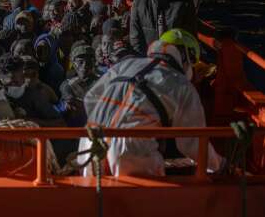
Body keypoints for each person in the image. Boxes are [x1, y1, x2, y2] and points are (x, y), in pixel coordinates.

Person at [78, 30, 223, 176]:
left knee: (92, 196)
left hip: (91, 142)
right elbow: (193, 142)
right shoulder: (181, 83)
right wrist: (218, 165)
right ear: (185, 57)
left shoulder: (125, 64)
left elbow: (90, 98)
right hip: (132, 148)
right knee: (139, 199)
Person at [0, 54, 64, 126]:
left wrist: (32, 122)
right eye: (13, 82)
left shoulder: (34, 96)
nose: (20, 84)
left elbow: (60, 122)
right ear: (0, 82)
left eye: (22, 78)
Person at [58, 43, 99, 127]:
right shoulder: (68, 84)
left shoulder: (102, 82)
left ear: (94, 62)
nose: (85, 65)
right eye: (80, 62)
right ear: (73, 63)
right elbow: (69, 102)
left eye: (89, 62)